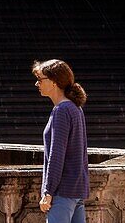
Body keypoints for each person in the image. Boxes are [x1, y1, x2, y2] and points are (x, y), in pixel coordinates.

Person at [32, 58, 89, 223]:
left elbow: (56, 155)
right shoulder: (74, 107)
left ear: (54, 82)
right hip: (76, 189)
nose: (37, 84)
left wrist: (48, 192)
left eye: (40, 79)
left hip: (63, 191)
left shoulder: (61, 111)